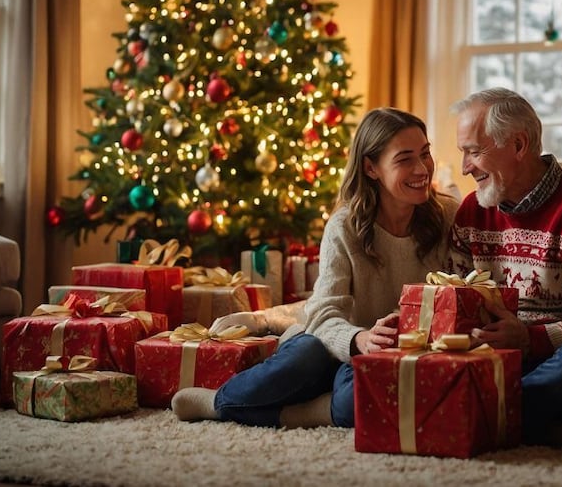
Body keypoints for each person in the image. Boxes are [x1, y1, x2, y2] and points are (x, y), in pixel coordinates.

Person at [171, 107, 460, 428]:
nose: (423, 168)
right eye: (405, 159)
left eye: (425, 153)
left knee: (361, 404)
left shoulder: (448, 215)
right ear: (371, 168)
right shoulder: (345, 226)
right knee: (299, 363)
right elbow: (324, 314)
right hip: (339, 340)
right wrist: (359, 339)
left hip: (401, 354)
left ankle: (302, 412)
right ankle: (217, 402)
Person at [447, 87, 562, 451]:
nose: (465, 167)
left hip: (553, 359)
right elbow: (454, 298)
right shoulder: (471, 211)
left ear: (519, 145)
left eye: (474, 151)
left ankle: (482, 417)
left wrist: (529, 339)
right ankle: (553, 430)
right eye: (463, 153)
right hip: (488, 360)